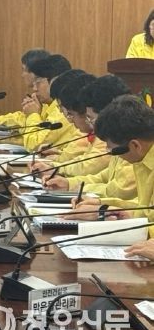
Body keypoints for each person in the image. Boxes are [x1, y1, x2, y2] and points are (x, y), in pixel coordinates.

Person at [67, 96, 154, 253]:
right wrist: (105, 206)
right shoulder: (142, 159)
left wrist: (143, 231)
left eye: (113, 151)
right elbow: (147, 210)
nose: (110, 154)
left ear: (135, 145)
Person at [44, 74, 135, 198]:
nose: (89, 123)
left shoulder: (131, 139)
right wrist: (69, 183)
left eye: (90, 118)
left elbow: (120, 189)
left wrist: (75, 186)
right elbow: (105, 176)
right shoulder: (116, 136)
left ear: (107, 114)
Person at [0, 48, 50, 127]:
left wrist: (32, 114)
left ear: (34, 71)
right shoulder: (39, 96)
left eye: (24, 70)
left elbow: (39, 133)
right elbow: (21, 119)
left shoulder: (49, 99)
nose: (22, 75)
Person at [18, 54, 78, 152]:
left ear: (54, 81)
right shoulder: (47, 105)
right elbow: (21, 127)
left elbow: (33, 145)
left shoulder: (64, 111)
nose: (34, 89)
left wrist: (33, 115)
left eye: (38, 82)